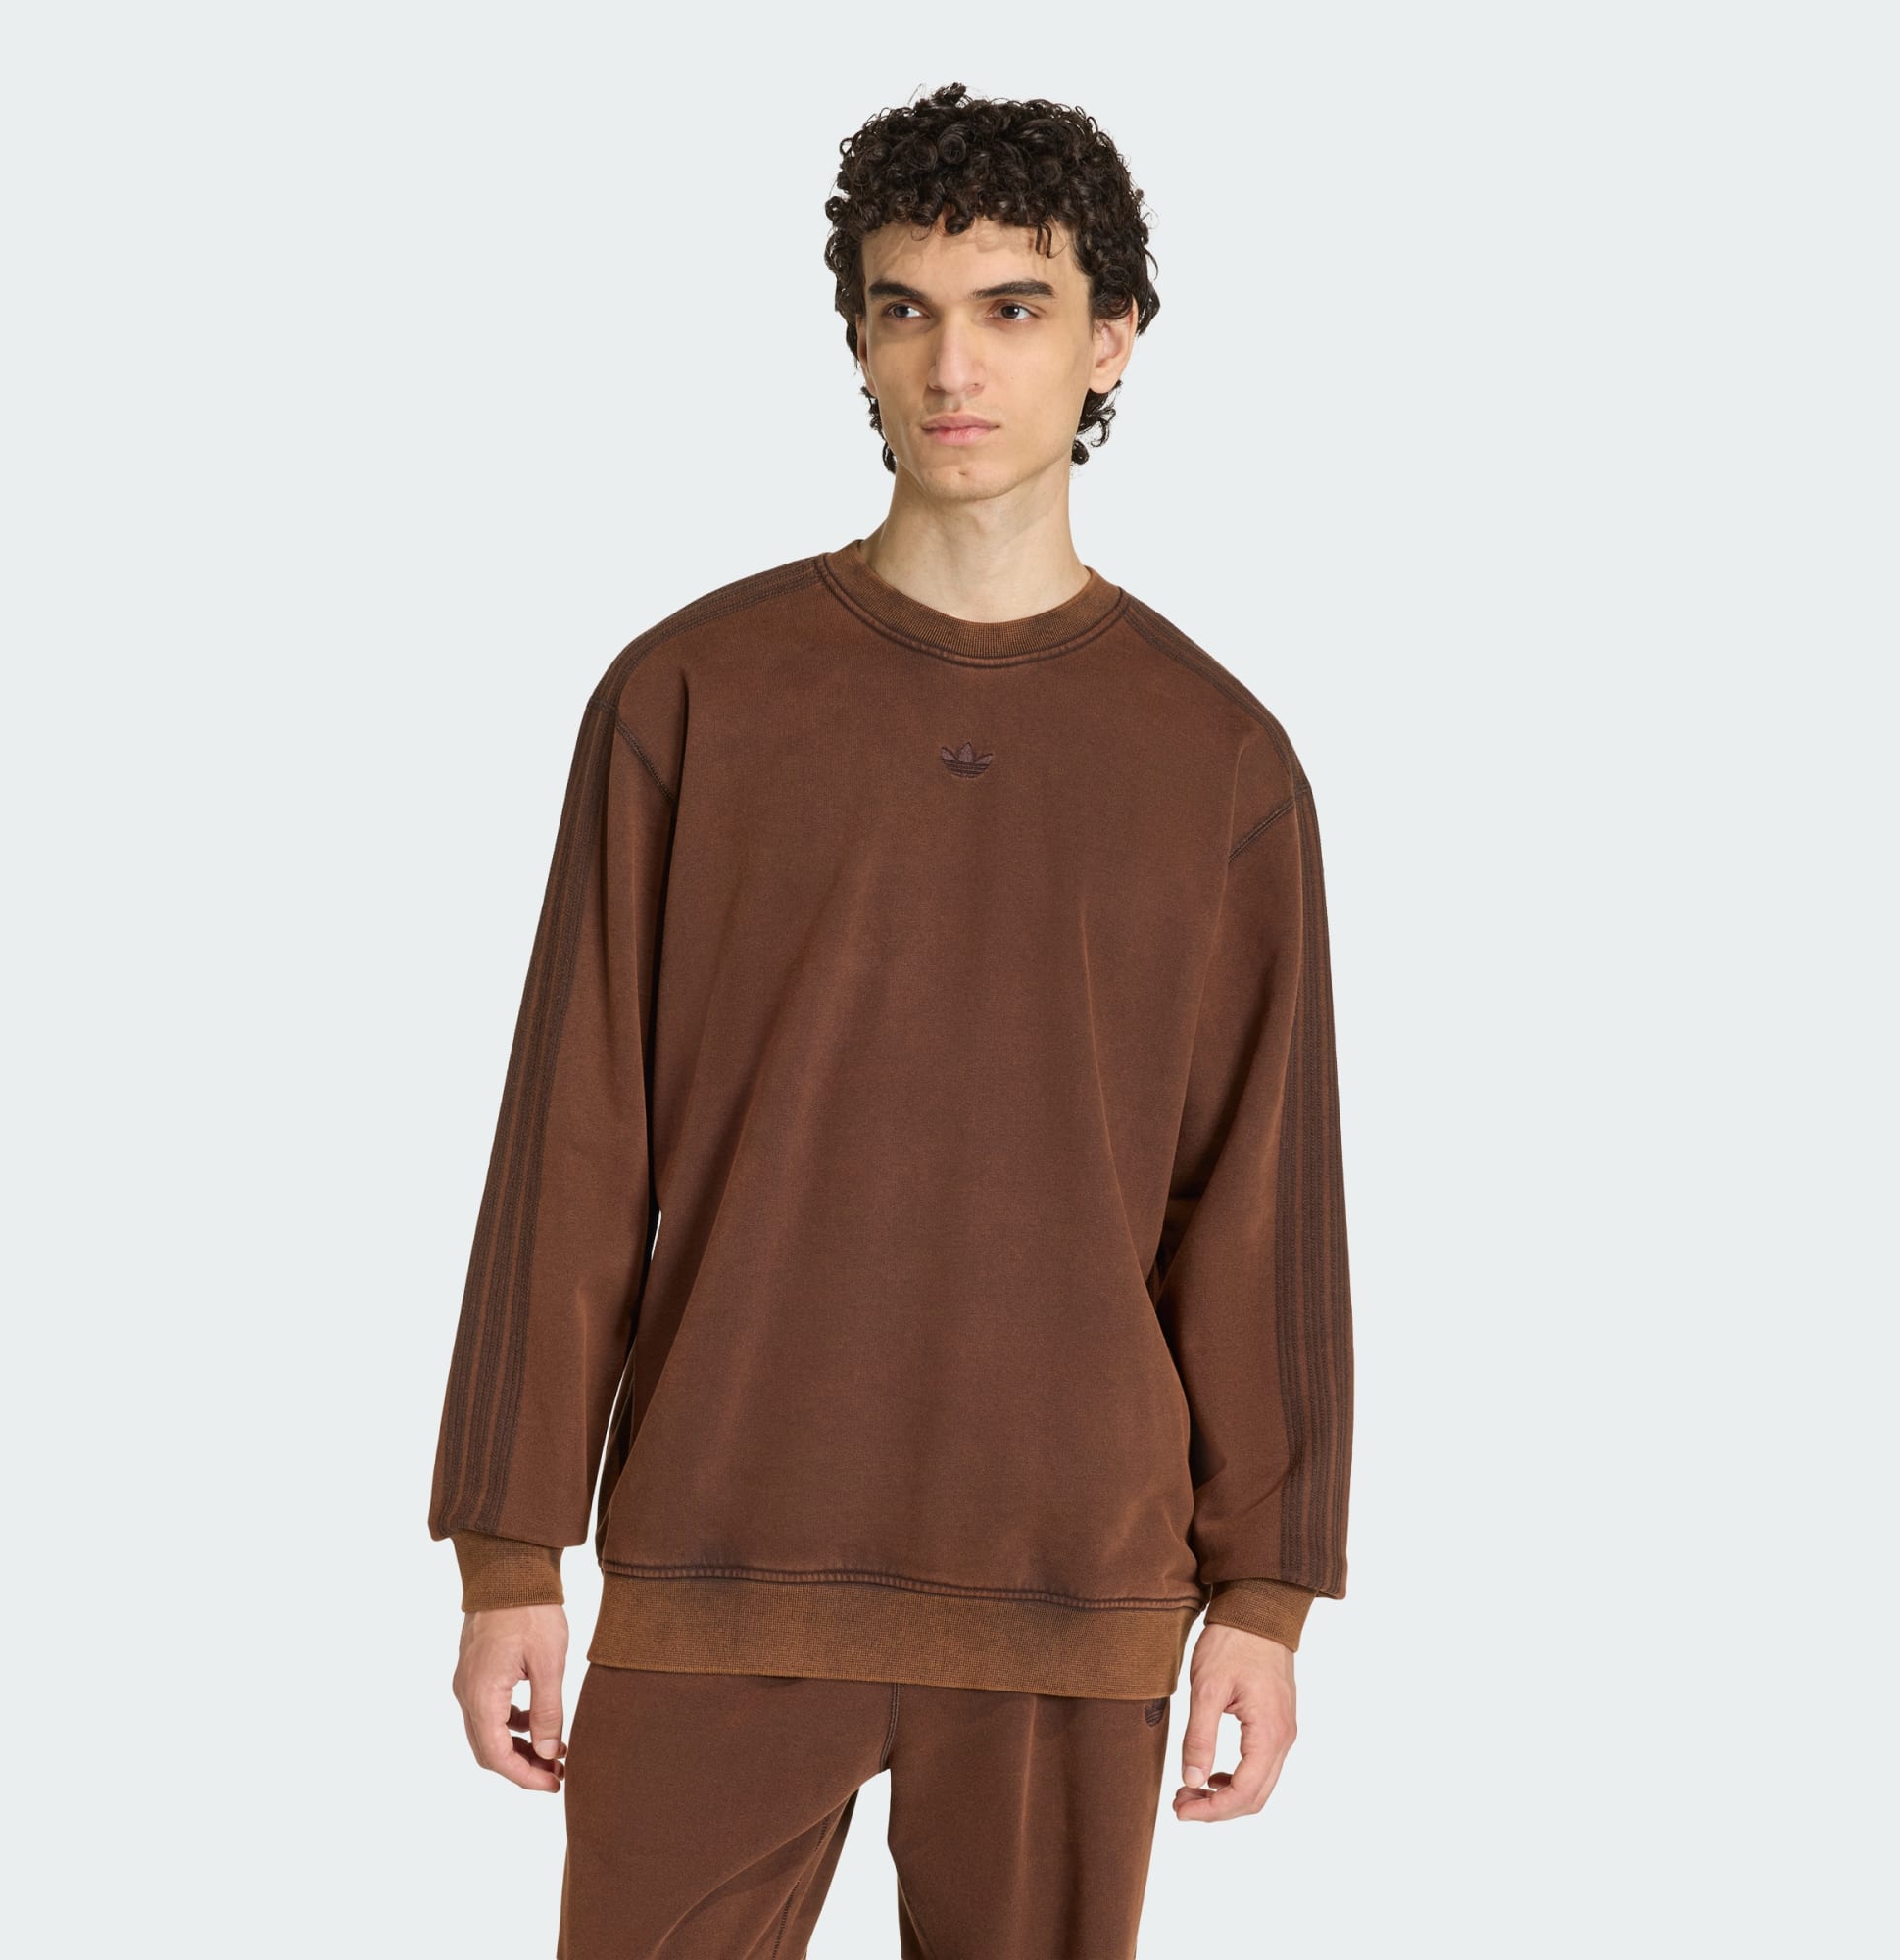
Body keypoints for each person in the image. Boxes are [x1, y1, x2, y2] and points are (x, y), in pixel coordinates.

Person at [428, 79, 1355, 1959]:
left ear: (1112, 337)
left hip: (1071, 1585)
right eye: (905, 307)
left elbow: (1259, 1205)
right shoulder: (690, 695)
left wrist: (1266, 1591)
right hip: (719, 1557)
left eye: (1014, 307)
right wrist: (508, 1551)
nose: (954, 364)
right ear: (855, 333)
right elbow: (574, 1139)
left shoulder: (1218, 761)